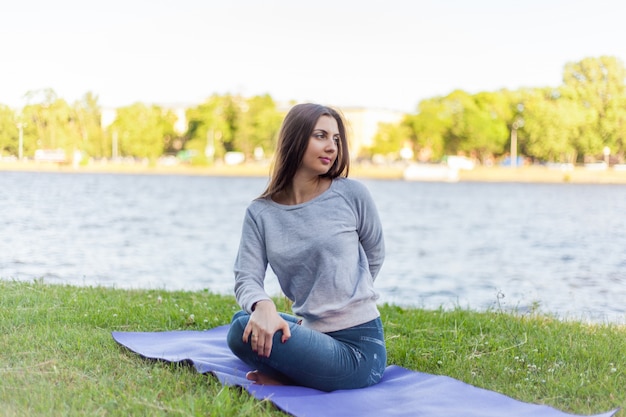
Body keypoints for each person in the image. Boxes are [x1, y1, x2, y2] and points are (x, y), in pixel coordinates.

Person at [226, 103, 386, 392]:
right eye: (321, 136)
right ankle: (301, 367)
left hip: (360, 351)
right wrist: (263, 306)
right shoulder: (261, 213)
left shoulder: (352, 194)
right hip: (311, 330)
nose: (332, 147)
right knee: (243, 321)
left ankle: (291, 374)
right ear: (295, 139)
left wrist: (343, 301)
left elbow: (375, 252)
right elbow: (246, 277)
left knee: (242, 330)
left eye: (336, 139)